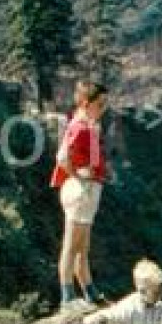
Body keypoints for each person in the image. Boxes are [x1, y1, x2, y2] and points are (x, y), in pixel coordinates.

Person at [51, 80, 108, 311]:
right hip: (80, 189)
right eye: (100, 104)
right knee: (71, 245)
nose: (103, 108)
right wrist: (78, 176)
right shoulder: (80, 126)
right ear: (86, 103)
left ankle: (88, 289)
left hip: (89, 189)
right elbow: (62, 157)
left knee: (82, 247)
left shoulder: (89, 125)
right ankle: (67, 296)